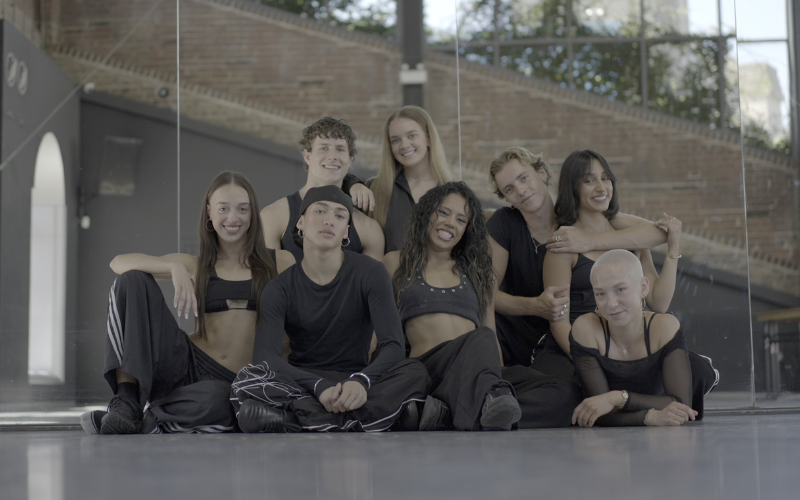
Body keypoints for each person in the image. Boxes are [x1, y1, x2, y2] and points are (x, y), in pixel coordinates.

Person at [81, 172, 295, 434]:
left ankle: (148, 421)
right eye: (223, 208)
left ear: (252, 213)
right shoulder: (196, 265)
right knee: (132, 280)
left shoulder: (280, 262)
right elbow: (119, 263)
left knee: (218, 400)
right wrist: (173, 267)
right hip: (188, 366)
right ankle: (126, 402)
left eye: (242, 209)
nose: (233, 218)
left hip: (239, 381)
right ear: (209, 212)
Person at [231, 185, 430, 433]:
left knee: (415, 371)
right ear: (300, 222)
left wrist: (362, 381)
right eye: (320, 211)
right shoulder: (279, 288)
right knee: (247, 379)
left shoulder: (371, 272)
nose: (329, 220)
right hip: (305, 382)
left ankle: (294, 419)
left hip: (355, 378)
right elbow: (265, 357)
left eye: (339, 215)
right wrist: (318, 386)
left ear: (346, 231)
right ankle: (377, 417)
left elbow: (393, 345)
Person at [385, 182, 576, 430]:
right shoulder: (395, 262)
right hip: (431, 369)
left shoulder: (477, 272)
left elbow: (490, 332)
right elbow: (381, 329)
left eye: (461, 220)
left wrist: (496, 377)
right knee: (480, 337)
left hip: (479, 372)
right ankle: (486, 404)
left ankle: (452, 414)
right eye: (443, 213)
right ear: (426, 214)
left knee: (565, 392)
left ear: (467, 229)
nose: (450, 223)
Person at [543, 149, 718, 413]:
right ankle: (632, 401)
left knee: (698, 370)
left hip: (632, 345)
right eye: (589, 180)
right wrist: (588, 359)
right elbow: (558, 321)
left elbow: (658, 302)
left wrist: (673, 250)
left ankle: (629, 399)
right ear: (573, 187)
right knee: (565, 395)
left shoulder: (631, 238)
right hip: (586, 348)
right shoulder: (564, 245)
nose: (601, 187)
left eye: (606, 178)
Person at [487, 147, 668, 372]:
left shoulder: (577, 213)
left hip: (569, 333)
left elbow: (659, 232)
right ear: (506, 197)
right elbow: (487, 295)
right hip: (521, 334)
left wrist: (589, 241)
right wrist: (535, 306)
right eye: (509, 189)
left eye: (524, 178)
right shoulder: (505, 222)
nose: (521, 190)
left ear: (541, 173)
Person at [570, 250, 699, 427]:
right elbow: (598, 411)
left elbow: (681, 405)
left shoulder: (665, 327)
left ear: (643, 287)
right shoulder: (586, 329)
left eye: (620, 290)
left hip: (661, 393)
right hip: (649, 408)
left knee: (699, 370)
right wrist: (649, 417)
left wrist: (618, 398)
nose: (611, 304)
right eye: (600, 294)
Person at [261, 116, 385, 261]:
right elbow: (266, 274)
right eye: (324, 148)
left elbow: (374, 276)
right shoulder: (273, 216)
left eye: (340, 149)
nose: (332, 156)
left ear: (350, 159)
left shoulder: (369, 228)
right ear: (308, 156)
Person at [369, 106, 454, 253]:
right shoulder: (375, 189)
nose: (404, 145)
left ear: (428, 138)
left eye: (412, 136)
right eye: (396, 140)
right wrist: (353, 184)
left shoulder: (454, 194)